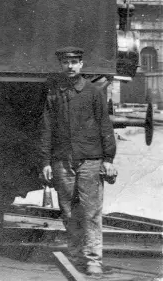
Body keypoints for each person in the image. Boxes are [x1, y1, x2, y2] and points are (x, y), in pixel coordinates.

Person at [40, 46, 118, 276]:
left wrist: (108, 159)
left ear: (82, 65)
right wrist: (45, 161)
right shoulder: (54, 93)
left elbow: (105, 126)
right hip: (62, 161)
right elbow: (47, 129)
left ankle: (94, 259)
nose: (70, 66)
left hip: (90, 161)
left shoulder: (94, 92)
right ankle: (75, 256)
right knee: (69, 211)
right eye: (66, 62)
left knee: (91, 211)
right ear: (61, 65)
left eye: (75, 62)